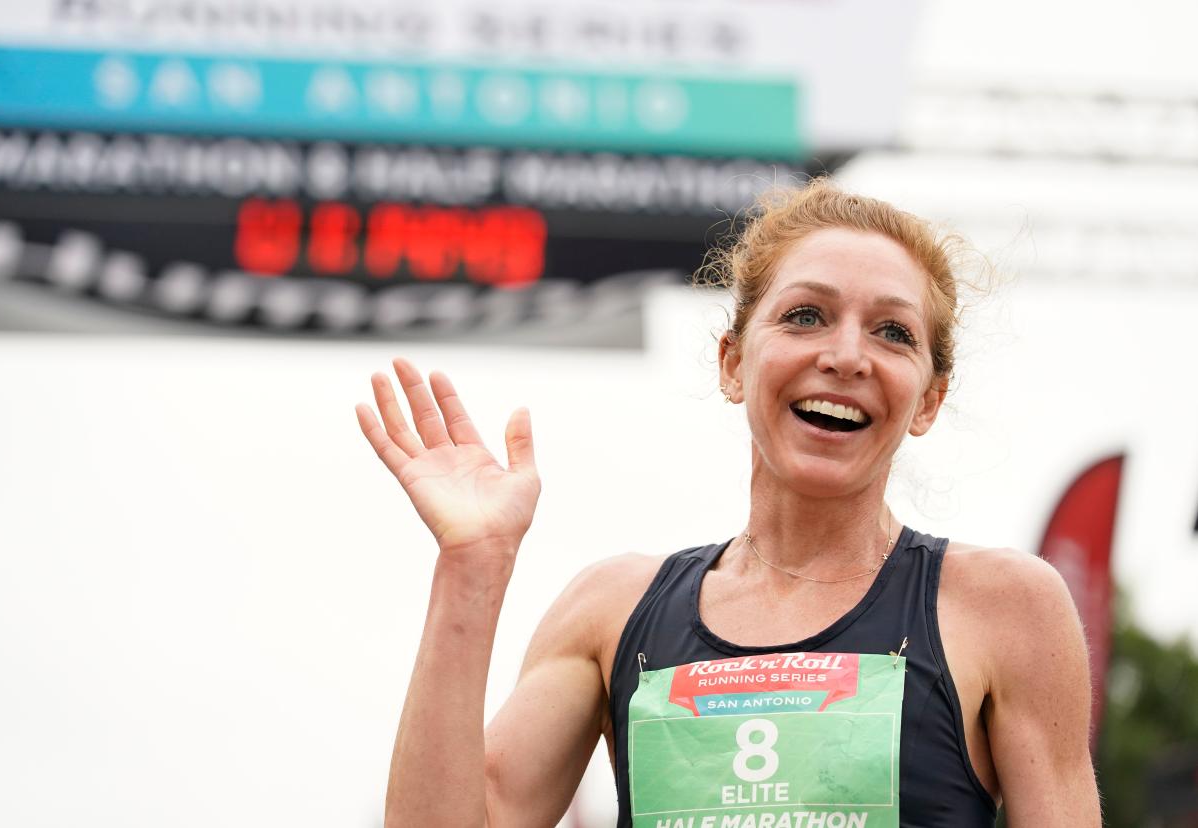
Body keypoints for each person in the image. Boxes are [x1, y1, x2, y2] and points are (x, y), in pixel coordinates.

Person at [354, 179, 1101, 827]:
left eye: (893, 332)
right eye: (806, 315)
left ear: (928, 399)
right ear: (734, 361)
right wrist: (471, 566)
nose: (845, 356)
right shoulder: (611, 609)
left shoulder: (1005, 608)